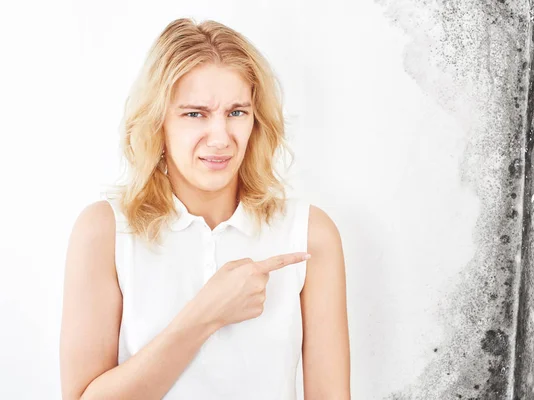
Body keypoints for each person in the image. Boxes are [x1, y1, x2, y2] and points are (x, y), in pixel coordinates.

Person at [59, 18, 350, 400]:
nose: (220, 138)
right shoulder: (106, 232)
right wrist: (206, 315)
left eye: (236, 112)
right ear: (158, 122)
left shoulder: (309, 234)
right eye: (194, 113)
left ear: (256, 120)